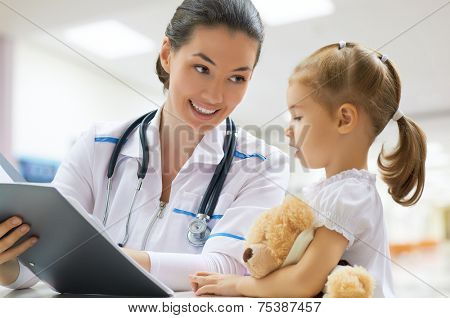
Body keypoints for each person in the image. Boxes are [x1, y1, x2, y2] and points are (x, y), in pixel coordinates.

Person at [0, 0, 289, 292]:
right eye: (202, 68)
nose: (215, 95)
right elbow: (40, 258)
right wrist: (6, 260)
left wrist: (94, 258)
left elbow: (223, 268)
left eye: (237, 78)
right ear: (167, 54)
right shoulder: (97, 145)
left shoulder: (262, 165)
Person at [190, 41, 427, 297]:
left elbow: (303, 282)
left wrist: (236, 284)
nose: (288, 129)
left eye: (298, 117)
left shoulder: (349, 194)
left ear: (344, 119)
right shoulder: (337, 190)